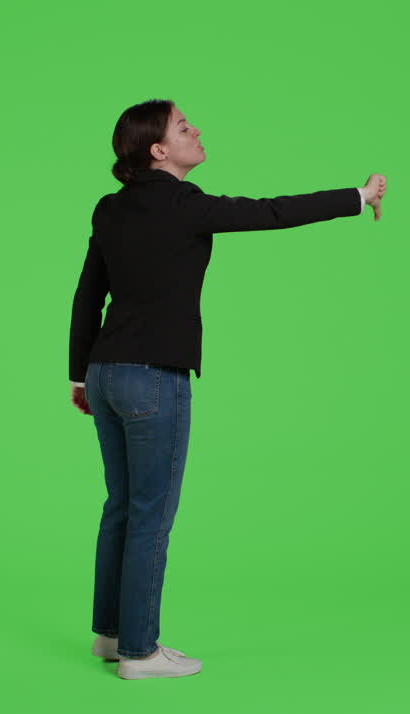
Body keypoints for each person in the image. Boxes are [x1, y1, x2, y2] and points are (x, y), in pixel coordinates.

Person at [68, 99, 386, 680]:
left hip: (105, 371)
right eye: (184, 127)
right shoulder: (184, 204)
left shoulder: (110, 209)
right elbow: (270, 212)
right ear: (159, 149)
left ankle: (110, 636)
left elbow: (89, 289)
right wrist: (356, 197)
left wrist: (77, 372)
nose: (196, 131)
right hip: (154, 376)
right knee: (150, 515)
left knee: (119, 508)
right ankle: (140, 652)